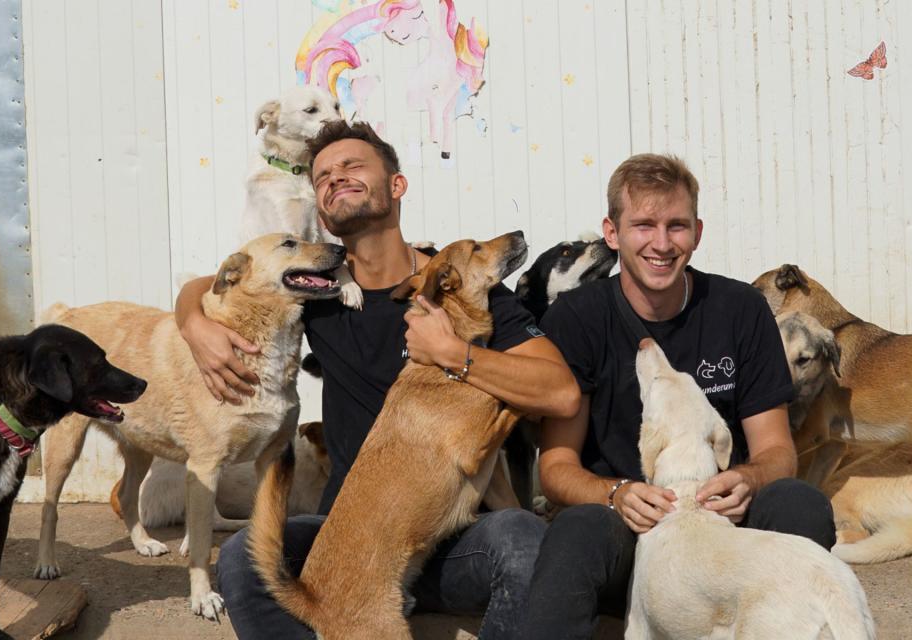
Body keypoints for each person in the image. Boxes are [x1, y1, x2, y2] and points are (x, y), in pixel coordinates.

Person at [174, 120, 581, 639]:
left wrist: (454, 353)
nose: (335, 178)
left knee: (522, 536)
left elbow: (562, 392)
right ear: (320, 207)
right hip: (347, 539)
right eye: (322, 175)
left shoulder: (461, 288)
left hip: (453, 533)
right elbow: (210, 282)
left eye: (352, 166)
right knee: (239, 559)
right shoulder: (316, 295)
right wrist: (193, 322)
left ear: (397, 185)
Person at [519, 153, 836, 639]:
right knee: (576, 532)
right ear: (612, 232)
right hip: (627, 530)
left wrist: (748, 479)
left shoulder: (740, 309)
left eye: (677, 226)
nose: (662, 244)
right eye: (643, 225)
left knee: (800, 504)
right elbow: (556, 468)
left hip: (721, 534)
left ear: (698, 231)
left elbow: (777, 451)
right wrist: (616, 493)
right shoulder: (577, 318)